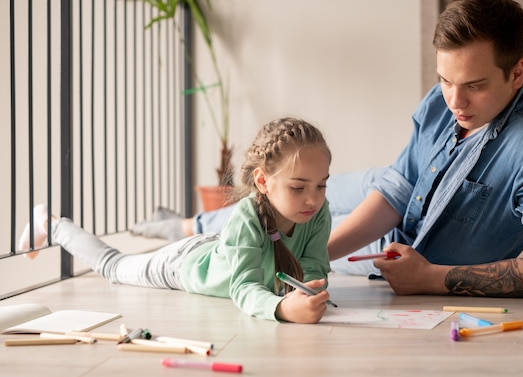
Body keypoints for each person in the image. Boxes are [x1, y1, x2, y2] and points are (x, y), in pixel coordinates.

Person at [133, 0, 523, 299]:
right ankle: (183, 226)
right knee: (276, 200)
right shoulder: (445, 99)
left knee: (287, 224)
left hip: (405, 248)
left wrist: (428, 279)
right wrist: (307, 255)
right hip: (393, 193)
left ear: (517, 72)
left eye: (473, 85)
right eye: (444, 80)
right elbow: (397, 190)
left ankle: (180, 232)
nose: (454, 100)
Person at [19, 117, 334, 323]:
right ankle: (51, 224)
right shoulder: (247, 216)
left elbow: (316, 266)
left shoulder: (318, 212)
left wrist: (308, 290)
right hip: (183, 264)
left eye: (322, 184)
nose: (313, 198)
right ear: (263, 181)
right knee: (113, 267)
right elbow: (244, 288)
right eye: (298, 187)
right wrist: (281, 308)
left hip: (218, 249)